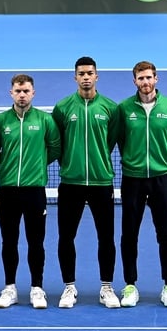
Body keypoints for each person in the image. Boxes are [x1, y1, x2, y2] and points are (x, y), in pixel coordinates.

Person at [51, 56, 119, 309]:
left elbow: (110, 140)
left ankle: (107, 287)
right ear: (75, 77)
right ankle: (69, 287)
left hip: (102, 183)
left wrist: (98, 163)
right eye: (81, 73)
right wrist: (72, 165)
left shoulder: (111, 108)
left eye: (90, 73)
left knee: (106, 238)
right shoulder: (63, 108)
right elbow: (58, 143)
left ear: (96, 76)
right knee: (66, 237)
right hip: (71, 183)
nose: (86, 77)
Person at [0, 74, 61, 309]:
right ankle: (10, 288)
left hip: (35, 192)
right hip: (8, 191)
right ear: (11, 93)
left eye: (26, 91)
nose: (22, 95)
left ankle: (37, 288)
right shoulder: (0, 121)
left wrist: (37, 165)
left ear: (33, 93)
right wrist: (8, 166)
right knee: (9, 241)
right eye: (18, 91)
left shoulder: (45, 120)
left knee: (36, 242)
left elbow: (54, 148)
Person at [116, 61, 167, 308]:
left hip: (161, 178)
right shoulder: (124, 108)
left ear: (156, 79)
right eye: (141, 78)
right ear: (135, 81)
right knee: (129, 234)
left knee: (166, 234)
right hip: (132, 179)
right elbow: (120, 139)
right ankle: (130, 285)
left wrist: (162, 160)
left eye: (149, 77)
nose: (145, 82)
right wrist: (134, 161)